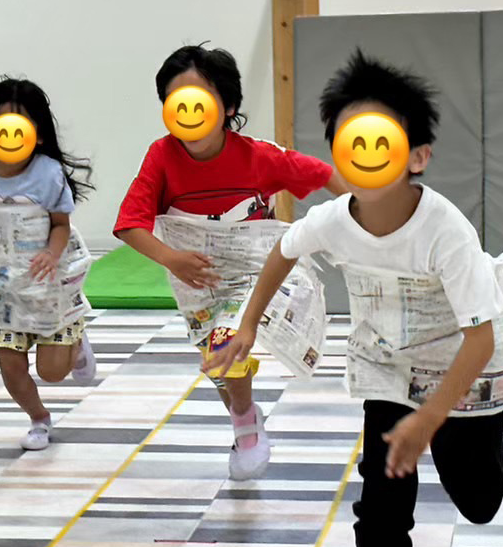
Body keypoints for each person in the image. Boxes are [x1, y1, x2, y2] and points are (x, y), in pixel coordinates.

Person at [211, 51, 503, 547]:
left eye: (382, 139)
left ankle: (476, 448)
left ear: (417, 156)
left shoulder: (446, 232)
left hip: (464, 373)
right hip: (389, 372)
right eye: (351, 140)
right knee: (380, 509)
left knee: (479, 502)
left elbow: (481, 338)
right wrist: (248, 326)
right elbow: (282, 251)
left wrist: (430, 420)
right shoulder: (333, 219)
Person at [114, 44, 348, 480]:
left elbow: (322, 174)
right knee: (221, 363)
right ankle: (245, 417)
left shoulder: (257, 156)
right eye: (176, 101)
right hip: (200, 279)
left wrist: (367, 219)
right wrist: (172, 259)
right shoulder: (162, 157)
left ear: (228, 107)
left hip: (259, 270)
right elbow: (129, 224)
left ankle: (246, 429)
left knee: (226, 343)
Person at [0, 77, 97, 451]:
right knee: (11, 366)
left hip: (47, 276)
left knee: (52, 372)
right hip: (4, 281)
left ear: (38, 135)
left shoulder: (47, 173)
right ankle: (39, 419)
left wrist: (51, 254)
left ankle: (75, 339)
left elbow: (60, 225)